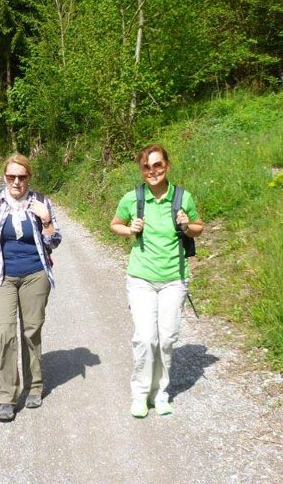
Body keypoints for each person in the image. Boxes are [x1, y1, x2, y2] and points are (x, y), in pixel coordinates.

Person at [109, 143, 203, 418]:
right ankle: (140, 394)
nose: (152, 171)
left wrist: (186, 225)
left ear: (167, 166)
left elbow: (198, 227)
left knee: (167, 338)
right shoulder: (133, 198)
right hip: (141, 278)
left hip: (175, 279)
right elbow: (115, 224)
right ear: (141, 170)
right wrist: (130, 230)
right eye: (146, 167)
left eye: (157, 165)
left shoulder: (183, 197)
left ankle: (160, 394)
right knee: (146, 338)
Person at [0, 154, 61, 422]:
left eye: (21, 177)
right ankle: (6, 397)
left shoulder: (41, 202)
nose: (16, 182)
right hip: (1, 275)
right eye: (11, 176)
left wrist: (46, 220)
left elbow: (54, 241)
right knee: (4, 332)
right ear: (4, 177)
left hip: (35, 274)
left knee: (31, 331)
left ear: (28, 178)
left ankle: (34, 386)